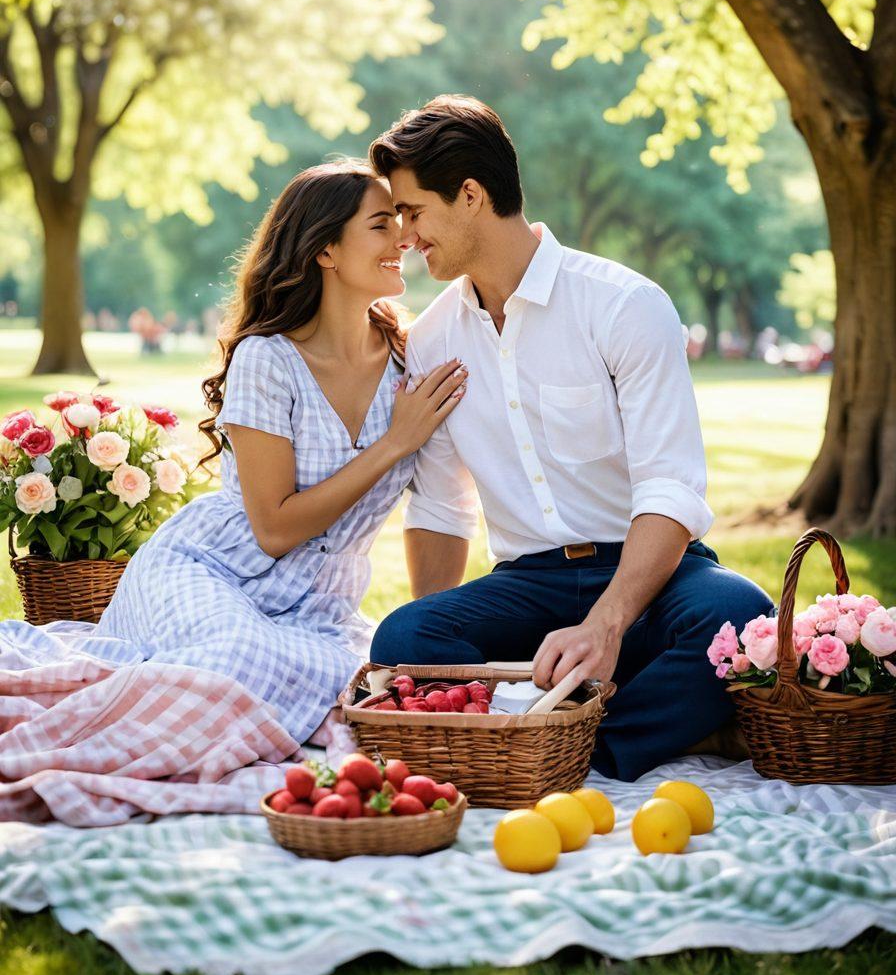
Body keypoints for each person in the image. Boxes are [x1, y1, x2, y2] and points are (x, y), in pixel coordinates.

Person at [366, 95, 774, 782]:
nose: (403, 235)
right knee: (404, 637)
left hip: (652, 571)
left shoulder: (623, 304)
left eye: (413, 211)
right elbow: (441, 506)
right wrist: (429, 667)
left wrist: (608, 622)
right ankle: (629, 715)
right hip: (530, 585)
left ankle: (575, 743)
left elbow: (670, 489)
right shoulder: (434, 339)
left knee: (738, 617)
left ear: (470, 195)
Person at [96, 161, 467, 745]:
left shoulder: (412, 365)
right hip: (213, 573)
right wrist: (394, 442)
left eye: (400, 220)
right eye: (379, 225)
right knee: (234, 661)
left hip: (319, 614)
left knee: (368, 692)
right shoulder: (267, 360)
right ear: (326, 251)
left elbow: (445, 509)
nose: (403, 237)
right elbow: (273, 529)